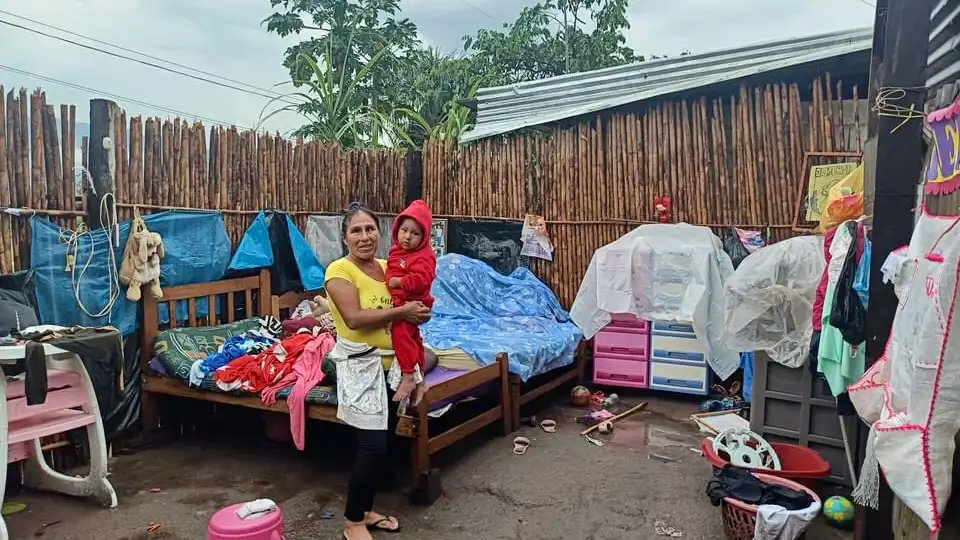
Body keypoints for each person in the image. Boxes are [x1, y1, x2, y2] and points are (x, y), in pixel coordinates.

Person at [324, 203, 431, 540]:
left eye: (370, 229)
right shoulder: (339, 271)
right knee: (371, 446)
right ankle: (353, 522)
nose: (364, 236)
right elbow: (354, 318)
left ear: (380, 233)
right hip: (360, 367)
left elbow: (415, 298)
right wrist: (403, 312)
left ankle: (366, 510)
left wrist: (420, 313)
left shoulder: (388, 268)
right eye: (356, 231)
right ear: (345, 237)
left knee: (381, 443)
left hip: (390, 368)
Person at [385, 199, 437, 408]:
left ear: (423, 237)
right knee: (415, 339)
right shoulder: (397, 251)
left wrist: (398, 282)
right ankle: (421, 379)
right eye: (404, 230)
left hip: (415, 302)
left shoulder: (424, 257)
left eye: (415, 233)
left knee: (401, 333)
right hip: (402, 301)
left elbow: (421, 280)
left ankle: (408, 375)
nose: (407, 236)